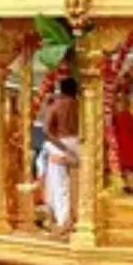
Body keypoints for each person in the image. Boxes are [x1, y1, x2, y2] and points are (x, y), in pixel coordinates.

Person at [42, 77, 80, 232]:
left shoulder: (56, 105)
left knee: (60, 185)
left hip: (61, 145)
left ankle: (63, 220)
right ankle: (75, 217)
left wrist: (63, 148)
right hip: (79, 144)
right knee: (77, 184)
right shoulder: (81, 105)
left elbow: (46, 131)